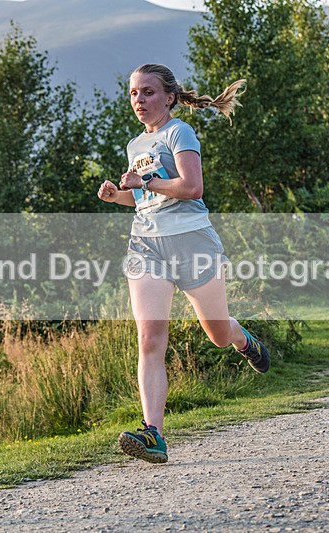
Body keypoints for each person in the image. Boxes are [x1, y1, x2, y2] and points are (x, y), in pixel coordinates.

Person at [96, 64, 269, 464]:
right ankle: (153, 434)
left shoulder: (180, 132)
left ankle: (243, 339)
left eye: (148, 92)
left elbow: (191, 187)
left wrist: (144, 183)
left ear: (169, 97)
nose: (139, 100)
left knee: (218, 334)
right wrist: (117, 196)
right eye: (134, 93)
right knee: (149, 339)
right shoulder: (135, 145)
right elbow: (147, 198)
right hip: (146, 246)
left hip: (192, 242)